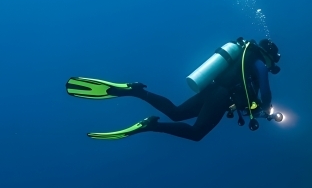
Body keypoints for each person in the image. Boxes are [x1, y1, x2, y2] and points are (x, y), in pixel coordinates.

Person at [66, 38, 282, 141]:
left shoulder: (241, 57)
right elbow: (265, 89)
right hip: (222, 95)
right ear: (269, 56)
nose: (271, 68)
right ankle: (150, 126)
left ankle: (136, 90)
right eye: (273, 64)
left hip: (213, 89)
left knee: (176, 113)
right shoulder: (258, 62)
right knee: (196, 133)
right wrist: (267, 107)